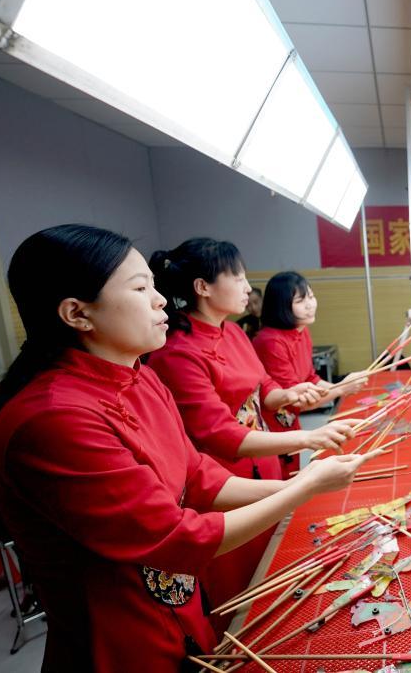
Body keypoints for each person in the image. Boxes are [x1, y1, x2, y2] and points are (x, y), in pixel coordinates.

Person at [0, 225, 369, 671]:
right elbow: (175, 537)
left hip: (181, 609)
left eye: (154, 286)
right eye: (139, 288)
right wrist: (303, 489)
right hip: (122, 640)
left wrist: (301, 481)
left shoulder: (139, 375)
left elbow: (195, 473)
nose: (159, 300)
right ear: (77, 313)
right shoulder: (53, 419)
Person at [148, 239, 359, 625]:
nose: (248, 287)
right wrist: (308, 437)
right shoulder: (179, 352)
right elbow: (221, 434)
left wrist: (290, 393)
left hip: (263, 468)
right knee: (242, 599)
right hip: (225, 485)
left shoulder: (232, 333)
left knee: (274, 569)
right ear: (203, 287)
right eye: (239, 276)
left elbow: (264, 388)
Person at [253, 272, 369, 474]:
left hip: (291, 422)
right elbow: (295, 398)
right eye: (301, 300)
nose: (310, 304)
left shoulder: (301, 330)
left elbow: (310, 379)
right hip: (271, 427)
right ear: (281, 305)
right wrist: (342, 388)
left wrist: (343, 386)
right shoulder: (270, 341)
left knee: (292, 475)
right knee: (280, 483)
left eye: (311, 297)